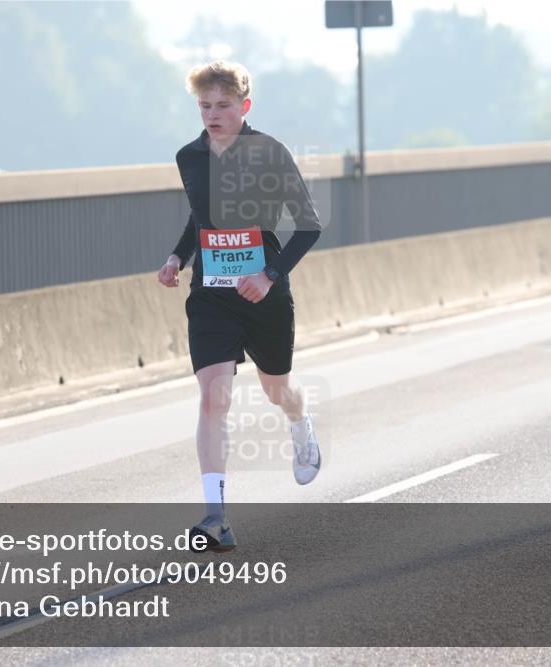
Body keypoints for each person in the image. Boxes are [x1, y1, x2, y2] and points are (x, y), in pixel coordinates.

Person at [156, 60, 323, 552]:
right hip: (211, 296)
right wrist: (177, 256)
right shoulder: (189, 156)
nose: (212, 114)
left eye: (223, 105)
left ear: (244, 106)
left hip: (263, 294)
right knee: (214, 398)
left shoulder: (270, 153)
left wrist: (269, 275)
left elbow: (309, 225)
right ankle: (215, 517)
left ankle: (299, 421)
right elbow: (200, 218)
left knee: (278, 391)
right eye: (204, 106)